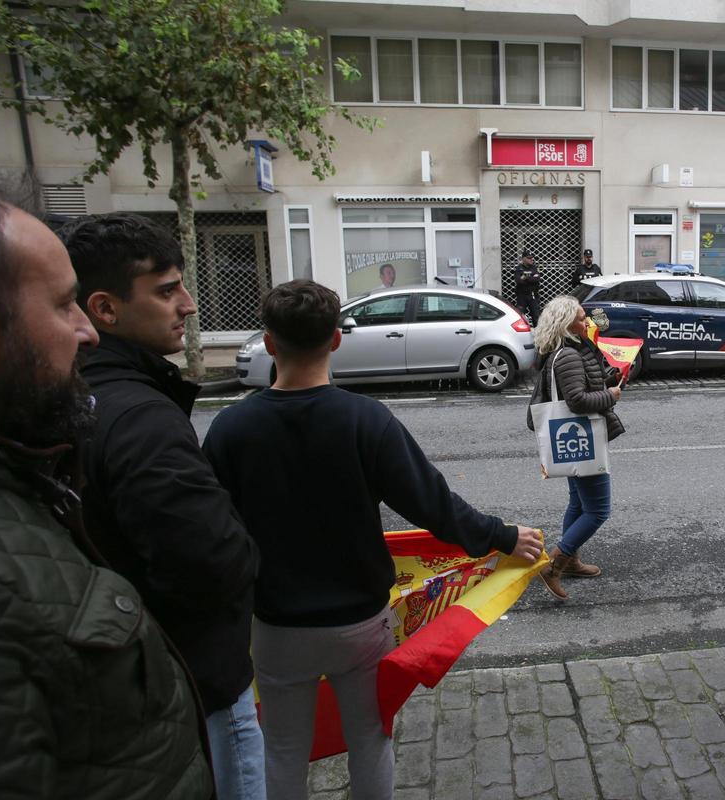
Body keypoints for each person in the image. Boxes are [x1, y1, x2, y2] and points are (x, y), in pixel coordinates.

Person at [201, 280, 543, 800]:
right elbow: (433, 504)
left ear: (269, 343)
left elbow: (212, 528)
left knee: (283, 748)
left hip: (275, 624)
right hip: (359, 621)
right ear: (336, 340)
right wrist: (502, 537)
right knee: (369, 735)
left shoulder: (230, 428)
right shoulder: (366, 420)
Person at [0, 195, 213, 798]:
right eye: (63, 304)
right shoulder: (142, 416)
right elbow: (210, 558)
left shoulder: (31, 460)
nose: (84, 332)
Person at [62, 213, 263, 800]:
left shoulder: (76, 398)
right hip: (196, 681)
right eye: (167, 290)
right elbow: (213, 561)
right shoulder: (142, 417)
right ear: (105, 308)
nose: (190, 305)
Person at [526, 295, 625, 601]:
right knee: (597, 510)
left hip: (572, 441)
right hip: (580, 438)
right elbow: (577, 401)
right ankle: (554, 564)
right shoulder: (568, 354)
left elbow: (580, 387)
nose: (588, 322)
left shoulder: (569, 350)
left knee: (579, 504)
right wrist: (611, 396)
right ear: (566, 323)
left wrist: (608, 380)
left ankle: (571, 562)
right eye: (582, 318)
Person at [514, 249, 542, 324]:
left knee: (536, 316)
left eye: (532, 257)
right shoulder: (519, 268)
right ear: (523, 258)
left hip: (533, 295)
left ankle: (538, 333)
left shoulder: (534, 268)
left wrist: (526, 277)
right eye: (529, 258)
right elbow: (518, 280)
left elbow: (537, 279)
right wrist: (531, 277)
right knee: (520, 316)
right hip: (522, 296)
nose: (531, 259)